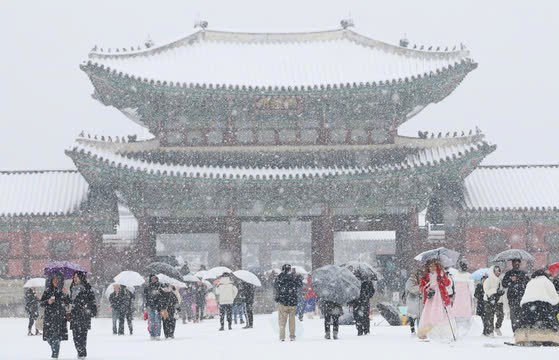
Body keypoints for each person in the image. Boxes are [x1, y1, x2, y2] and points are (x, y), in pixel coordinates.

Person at [514, 269, 559, 346]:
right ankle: (548, 339)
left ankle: (524, 338)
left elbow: (525, 296)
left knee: (527, 323)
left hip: (527, 306)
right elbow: (555, 299)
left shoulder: (531, 282)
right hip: (543, 304)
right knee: (548, 324)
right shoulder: (547, 281)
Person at [417, 260, 455, 341]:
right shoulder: (425, 276)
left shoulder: (441, 274)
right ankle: (428, 331)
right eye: (430, 266)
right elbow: (421, 287)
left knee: (440, 312)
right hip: (431, 297)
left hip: (440, 296)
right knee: (429, 313)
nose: (432, 268)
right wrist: (427, 289)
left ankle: (441, 331)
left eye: (434, 266)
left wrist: (443, 276)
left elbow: (448, 283)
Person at [40, 272, 69, 359]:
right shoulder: (47, 291)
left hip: (60, 317)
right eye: (54, 279)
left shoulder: (62, 291)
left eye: (57, 279)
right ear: (51, 280)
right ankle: (54, 351)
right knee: (49, 338)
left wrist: (66, 294)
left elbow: (68, 302)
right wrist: (47, 302)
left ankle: (55, 355)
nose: (56, 281)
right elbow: (41, 304)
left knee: (57, 337)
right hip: (49, 318)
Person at [69, 271, 97, 360]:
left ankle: (82, 354)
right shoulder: (72, 288)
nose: (75, 278)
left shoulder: (87, 288)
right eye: (74, 277)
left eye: (77, 277)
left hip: (84, 315)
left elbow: (92, 302)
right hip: (74, 315)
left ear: (81, 278)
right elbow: (70, 302)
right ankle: (80, 352)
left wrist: (85, 305)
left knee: (82, 336)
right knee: (75, 337)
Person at [273, 264, 300, 341]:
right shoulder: (293, 277)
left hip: (283, 302)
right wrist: (297, 277)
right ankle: (292, 336)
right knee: (292, 320)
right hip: (292, 302)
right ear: (290, 269)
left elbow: (275, 286)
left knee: (282, 320)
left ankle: (282, 336)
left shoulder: (279, 277)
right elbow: (299, 285)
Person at [502, 258, 529, 332]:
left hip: (522, 297)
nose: (517, 264)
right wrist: (511, 280)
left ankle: (521, 329)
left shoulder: (523, 273)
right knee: (513, 314)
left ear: (520, 264)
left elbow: (527, 283)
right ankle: (515, 330)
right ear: (512, 264)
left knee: (522, 314)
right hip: (512, 297)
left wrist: (521, 280)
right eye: (515, 263)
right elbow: (504, 284)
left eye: (518, 263)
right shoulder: (508, 273)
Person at [452, 260, 474, 336]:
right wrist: (472, 296)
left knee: (457, 310)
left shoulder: (455, 275)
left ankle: (457, 327)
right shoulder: (469, 276)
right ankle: (466, 329)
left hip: (458, 296)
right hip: (465, 296)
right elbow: (471, 289)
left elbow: (453, 287)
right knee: (465, 311)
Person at [350, 270, 375, 336]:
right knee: (365, 316)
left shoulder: (353, 282)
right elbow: (372, 291)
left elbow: (350, 293)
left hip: (357, 302)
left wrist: (351, 301)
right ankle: (365, 330)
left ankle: (360, 330)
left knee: (358, 317)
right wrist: (368, 296)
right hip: (364, 302)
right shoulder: (367, 282)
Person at [482, 265, 505, 337]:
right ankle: (490, 331)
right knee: (490, 316)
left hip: (499, 301)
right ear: (493, 271)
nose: (498, 272)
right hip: (489, 300)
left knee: (501, 315)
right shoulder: (488, 280)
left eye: (499, 271)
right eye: (496, 271)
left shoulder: (500, 280)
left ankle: (497, 327)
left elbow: (502, 289)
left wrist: (501, 291)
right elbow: (486, 290)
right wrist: (495, 291)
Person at [143, 274, 163, 340]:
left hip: (158, 306)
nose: (153, 279)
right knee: (151, 321)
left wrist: (158, 293)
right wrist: (146, 305)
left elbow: (162, 297)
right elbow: (145, 297)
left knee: (157, 321)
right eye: (152, 278)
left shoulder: (160, 286)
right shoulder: (147, 287)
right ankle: (152, 334)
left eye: (155, 278)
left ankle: (157, 335)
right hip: (150, 306)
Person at [404, 270, 422, 335]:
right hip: (411, 301)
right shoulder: (410, 281)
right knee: (412, 316)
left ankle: (420, 329)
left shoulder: (421, 280)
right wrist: (421, 287)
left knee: (419, 316)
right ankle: (412, 330)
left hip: (419, 301)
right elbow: (412, 289)